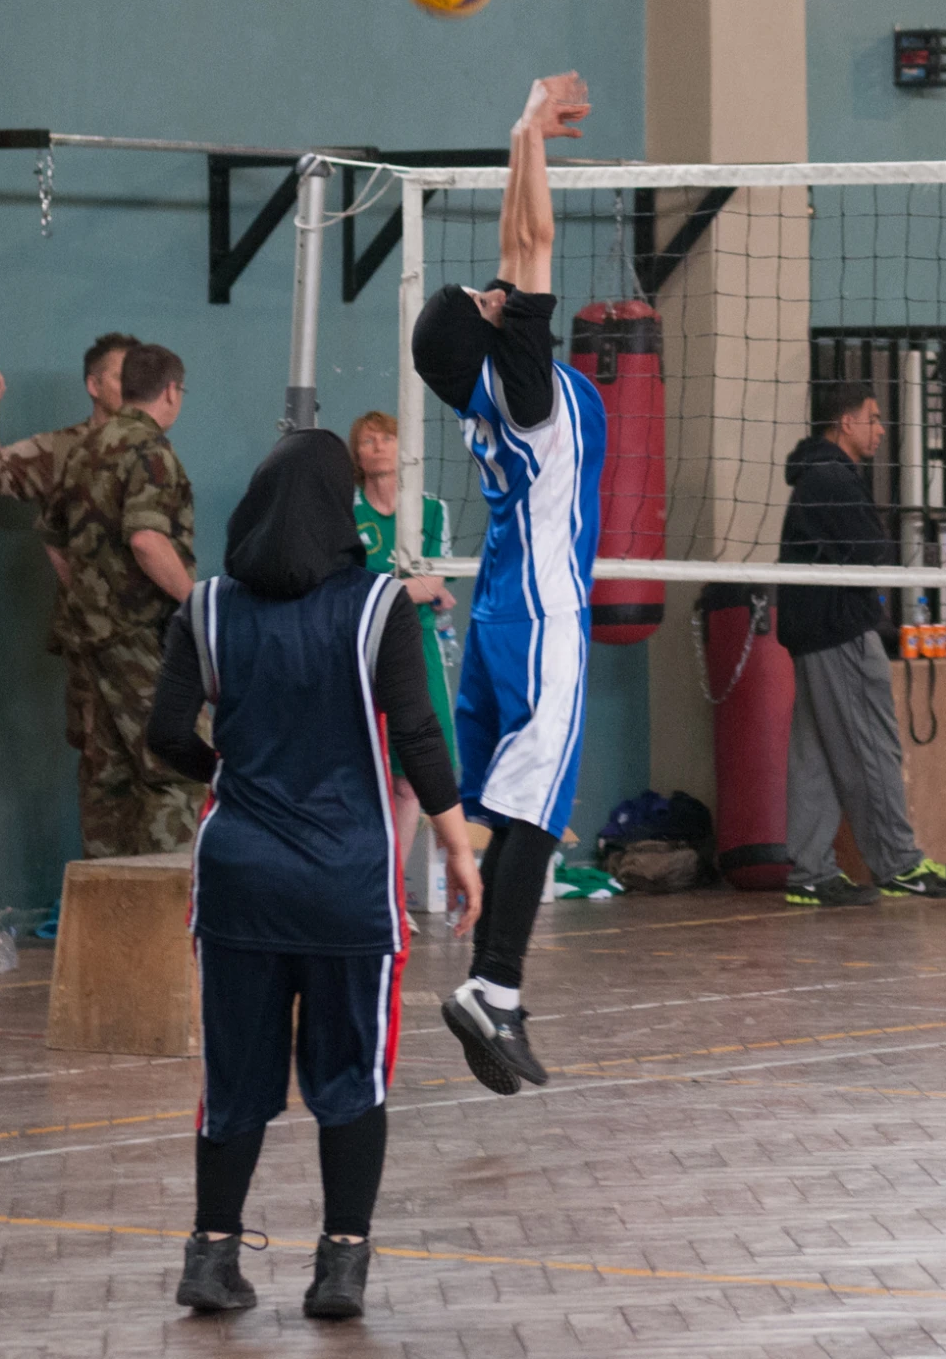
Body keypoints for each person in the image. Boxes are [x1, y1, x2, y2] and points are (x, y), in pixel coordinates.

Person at [147, 430, 485, 1320]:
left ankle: (210, 1257)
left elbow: (165, 732)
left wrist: (222, 775)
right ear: (340, 511)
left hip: (238, 881)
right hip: (347, 885)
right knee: (351, 1078)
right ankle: (340, 1264)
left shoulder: (208, 606)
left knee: (234, 1078)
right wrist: (454, 844)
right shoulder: (377, 607)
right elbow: (416, 734)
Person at [412, 73, 604, 1095]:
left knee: (518, 799)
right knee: (539, 796)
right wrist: (523, 128)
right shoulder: (526, 392)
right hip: (541, 611)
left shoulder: (487, 387)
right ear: (491, 334)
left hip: (498, 608)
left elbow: (510, 254)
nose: (500, 293)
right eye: (489, 306)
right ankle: (495, 985)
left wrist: (523, 143)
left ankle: (490, 969)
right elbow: (530, 245)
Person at [776, 379, 946, 907]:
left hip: (813, 631)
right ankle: (899, 865)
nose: (882, 429)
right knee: (871, 748)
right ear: (847, 422)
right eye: (874, 417)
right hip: (837, 631)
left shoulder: (817, 472)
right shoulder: (833, 476)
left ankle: (810, 871)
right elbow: (871, 555)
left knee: (815, 754)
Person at [50, 342, 204, 857]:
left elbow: (53, 538)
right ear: (170, 391)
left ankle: (106, 928)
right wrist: (196, 602)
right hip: (142, 641)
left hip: (86, 641)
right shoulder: (151, 451)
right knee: (177, 770)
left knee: (106, 781)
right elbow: (146, 540)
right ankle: (163, 925)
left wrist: (92, 595)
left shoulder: (85, 448)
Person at [0, 333, 140, 782]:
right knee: (100, 761)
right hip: (91, 632)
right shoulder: (62, 449)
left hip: (148, 634)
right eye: (120, 376)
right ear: (93, 384)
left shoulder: (152, 451)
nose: (131, 386)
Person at [348, 410, 459, 895]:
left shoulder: (431, 510)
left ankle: (390, 893)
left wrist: (387, 589)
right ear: (357, 455)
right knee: (359, 776)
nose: (378, 446)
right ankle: (358, 887)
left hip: (416, 649)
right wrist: (405, 589)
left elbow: (435, 581)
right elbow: (347, 590)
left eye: (386, 438)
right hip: (358, 651)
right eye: (367, 441)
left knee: (411, 781)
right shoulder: (347, 514)